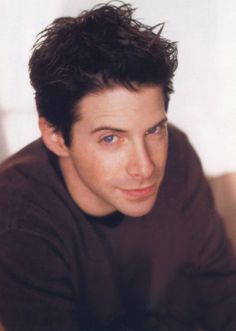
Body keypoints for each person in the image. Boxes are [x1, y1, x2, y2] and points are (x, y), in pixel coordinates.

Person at [0, 2, 236, 331]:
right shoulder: (16, 214)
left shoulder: (178, 151)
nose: (145, 167)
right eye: (111, 138)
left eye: (154, 130)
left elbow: (221, 298)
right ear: (55, 136)